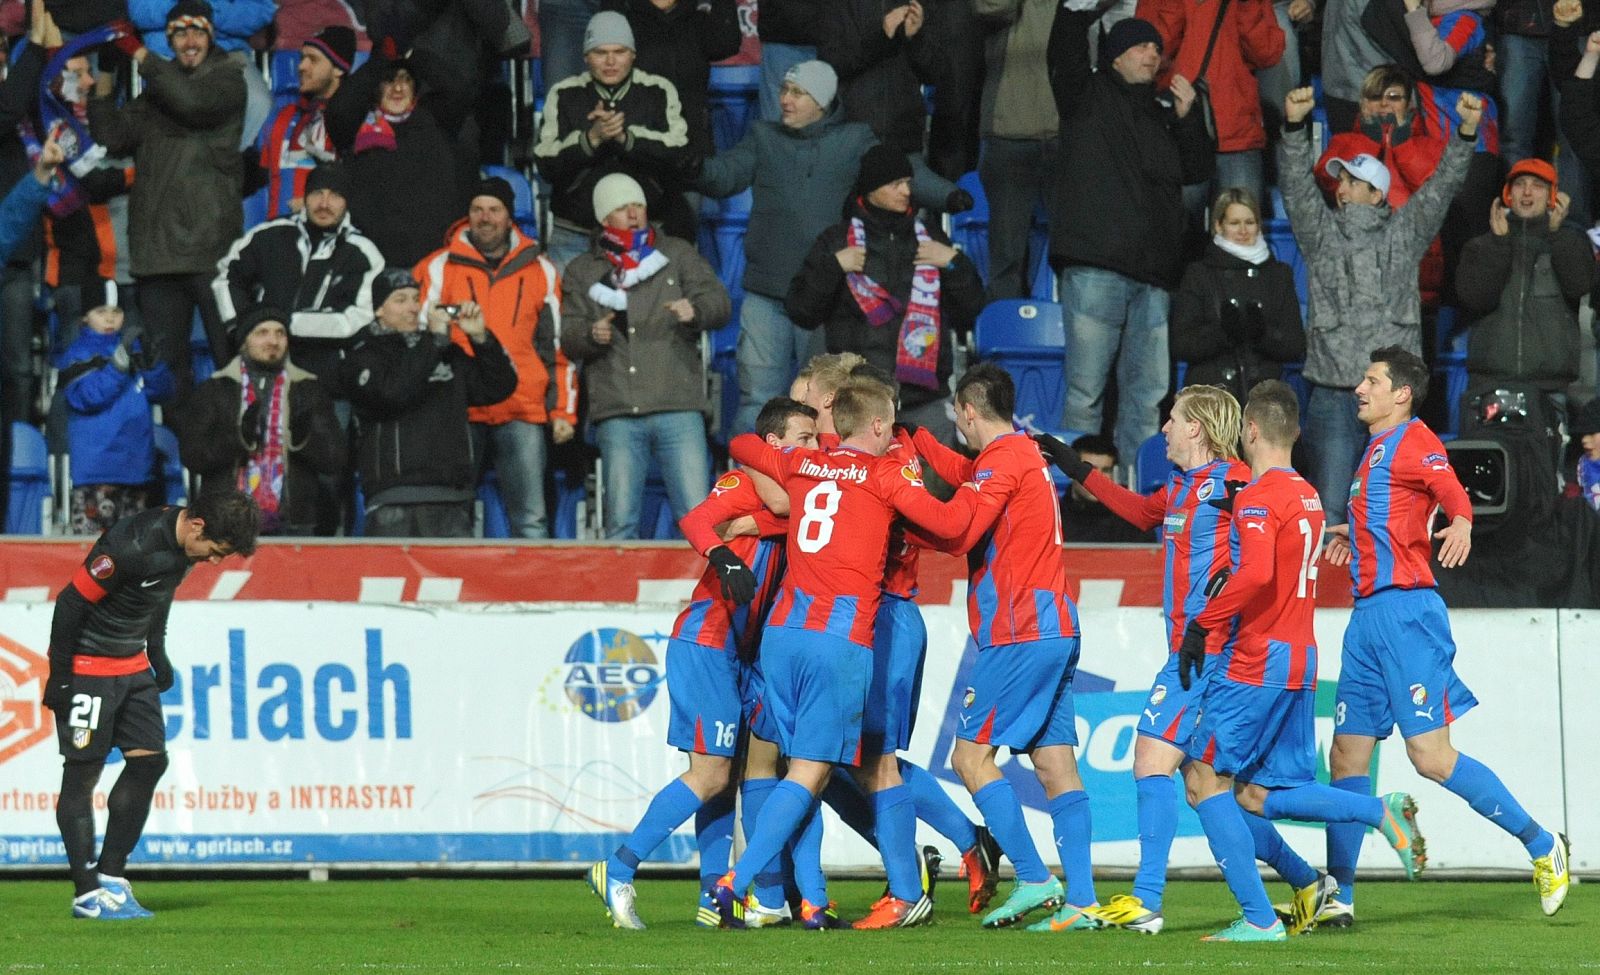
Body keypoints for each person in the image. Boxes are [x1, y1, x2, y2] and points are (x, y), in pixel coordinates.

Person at [711, 382, 980, 929]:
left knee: (803, 768)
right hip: (839, 639)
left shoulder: (803, 462)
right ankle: (737, 881)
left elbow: (739, 442)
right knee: (819, 770)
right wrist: (983, 486)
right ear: (878, 426)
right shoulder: (885, 475)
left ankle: (790, 893)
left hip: (782, 634)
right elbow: (953, 527)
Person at [1320, 346, 1570, 926]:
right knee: (1346, 756)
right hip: (1367, 617)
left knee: (1430, 757)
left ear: (1401, 393)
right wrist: (1354, 534)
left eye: (1372, 380)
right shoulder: (1373, 449)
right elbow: (1393, 516)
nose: (1360, 388)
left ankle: (1541, 844)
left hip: (1406, 615)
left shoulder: (1416, 440)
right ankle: (1339, 895)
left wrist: (1461, 522)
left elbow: (1451, 492)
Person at [1174, 379, 1424, 942]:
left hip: (1256, 658)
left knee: (1203, 779)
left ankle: (1259, 918)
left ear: (1251, 429)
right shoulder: (1307, 494)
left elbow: (1257, 573)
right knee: (1257, 793)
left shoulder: (1260, 496)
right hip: (1299, 659)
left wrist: (1203, 622)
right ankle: (1374, 817)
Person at [1034, 385, 1265, 934]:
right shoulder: (1182, 487)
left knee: (1149, 757)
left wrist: (1214, 617)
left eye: (1173, 419)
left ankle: (1147, 900)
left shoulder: (1236, 483)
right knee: (1205, 785)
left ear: (1197, 428)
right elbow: (1138, 512)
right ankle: (1270, 909)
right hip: (1190, 649)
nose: (1163, 429)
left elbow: (1261, 554)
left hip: (1208, 651)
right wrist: (1074, 467)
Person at [586, 397, 817, 930]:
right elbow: (696, 519)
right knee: (711, 774)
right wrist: (722, 552)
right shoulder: (745, 480)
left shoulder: (800, 496)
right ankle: (617, 868)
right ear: (775, 444)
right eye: (803, 438)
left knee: (731, 772)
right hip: (708, 641)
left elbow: (788, 517)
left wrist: (758, 526)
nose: (812, 448)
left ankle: (716, 899)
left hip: (747, 651)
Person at [905, 364, 1094, 932]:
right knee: (1055, 765)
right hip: (1055, 624)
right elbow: (966, 473)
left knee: (969, 758)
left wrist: (898, 503)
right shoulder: (1019, 453)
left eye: (956, 418)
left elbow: (958, 531)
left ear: (968, 411)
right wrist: (919, 442)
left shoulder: (1003, 460)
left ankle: (1033, 877)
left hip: (1019, 630)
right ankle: (1082, 901)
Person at [696, 61, 959, 434]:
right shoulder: (762, 136)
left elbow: (896, 170)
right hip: (767, 293)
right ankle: (751, 473)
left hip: (822, 296)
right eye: (784, 90)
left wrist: (948, 195)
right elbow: (724, 176)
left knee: (821, 407)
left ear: (821, 102)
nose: (785, 99)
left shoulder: (854, 140)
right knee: (758, 400)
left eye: (797, 93)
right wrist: (690, 166)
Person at [42, 490, 260, 919]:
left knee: (149, 762)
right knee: (82, 775)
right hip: (89, 667)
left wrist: (156, 650)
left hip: (132, 665)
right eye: (216, 551)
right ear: (197, 526)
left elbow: (159, 593)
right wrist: (61, 677)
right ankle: (87, 894)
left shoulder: (184, 548)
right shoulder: (130, 546)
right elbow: (71, 602)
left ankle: (110, 878)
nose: (215, 561)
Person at [1279, 85, 1478, 526]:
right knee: (1332, 508)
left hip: (1392, 399)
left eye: (1353, 181)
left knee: (1390, 511)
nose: (1341, 188)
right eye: (1341, 180)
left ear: (1377, 194)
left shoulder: (1404, 234)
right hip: (1334, 391)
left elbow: (1442, 187)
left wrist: (1466, 133)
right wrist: (1293, 127)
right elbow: (1295, 187)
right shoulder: (1321, 233)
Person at [1047, 10, 1215, 465]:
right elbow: (1064, 50)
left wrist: (1188, 119)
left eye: (1157, 48)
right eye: (1141, 46)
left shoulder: (1162, 113)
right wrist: (1075, 11)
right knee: (1086, 392)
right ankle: (1076, 494)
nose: (1152, 54)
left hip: (1155, 277)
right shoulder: (1087, 95)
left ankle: (1135, 493)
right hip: (1096, 267)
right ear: (1115, 57)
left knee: (1148, 397)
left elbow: (1196, 169)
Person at [89, 1, 248, 393]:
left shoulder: (228, 79)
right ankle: (183, 435)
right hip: (158, 257)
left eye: (197, 32)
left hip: (212, 254)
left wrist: (140, 54)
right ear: (169, 39)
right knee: (166, 376)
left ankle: (239, 433)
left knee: (232, 363)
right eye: (179, 33)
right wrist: (107, 74)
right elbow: (111, 136)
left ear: (211, 36)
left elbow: (191, 103)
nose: (189, 41)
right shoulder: (157, 93)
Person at [561, 174, 727, 539]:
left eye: (638, 205)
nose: (634, 213)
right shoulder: (582, 270)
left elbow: (719, 303)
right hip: (618, 408)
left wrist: (696, 310)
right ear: (604, 217)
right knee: (621, 524)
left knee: (700, 523)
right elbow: (568, 336)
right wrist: (591, 335)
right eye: (622, 208)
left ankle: (705, 581)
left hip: (678, 403)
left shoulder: (677, 254)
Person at [785, 146, 984, 441]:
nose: (906, 191)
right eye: (896, 184)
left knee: (931, 473)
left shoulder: (930, 237)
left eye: (908, 182)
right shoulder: (837, 240)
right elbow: (801, 310)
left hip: (923, 399)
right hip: (855, 402)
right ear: (871, 189)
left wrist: (954, 264)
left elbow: (972, 308)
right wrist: (834, 267)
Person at [415, 177, 575, 539]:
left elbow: (557, 348)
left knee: (531, 521)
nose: (485, 217)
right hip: (458, 407)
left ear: (509, 217)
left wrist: (562, 411)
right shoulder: (438, 267)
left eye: (494, 210)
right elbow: (418, 342)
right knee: (449, 516)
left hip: (521, 407)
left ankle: (531, 581)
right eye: (477, 209)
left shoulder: (541, 270)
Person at [339, 270, 519, 537]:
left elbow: (498, 387)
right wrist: (433, 342)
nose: (413, 308)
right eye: (400, 300)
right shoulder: (363, 354)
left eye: (415, 299)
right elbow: (392, 393)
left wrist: (481, 339)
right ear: (378, 309)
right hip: (393, 498)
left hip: (452, 496)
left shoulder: (444, 351)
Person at [534, 11, 694, 268]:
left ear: (633, 55)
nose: (610, 61)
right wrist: (591, 139)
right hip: (576, 234)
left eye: (619, 52)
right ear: (586, 57)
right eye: (600, 52)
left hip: (646, 235)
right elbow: (545, 163)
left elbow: (679, 155)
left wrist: (625, 138)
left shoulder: (658, 90)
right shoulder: (564, 93)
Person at [213, 161, 386, 400]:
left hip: (327, 379)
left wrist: (285, 323)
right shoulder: (270, 234)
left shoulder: (363, 253)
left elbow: (357, 317)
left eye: (335, 195)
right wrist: (242, 325)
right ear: (305, 197)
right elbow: (226, 277)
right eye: (317, 193)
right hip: (263, 369)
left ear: (347, 202)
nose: (324, 203)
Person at [179, 306, 345, 536]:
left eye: (280, 333)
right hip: (226, 524)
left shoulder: (308, 389)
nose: (273, 341)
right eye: (262, 333)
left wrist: (303, 440)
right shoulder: (215, 389)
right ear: (243, 341)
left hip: (294, 525)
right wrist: (238, 439)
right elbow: (192, 456)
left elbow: (335, 459)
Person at [1455, 159, 1594, 426]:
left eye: (1538, 186)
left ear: (1553, 195)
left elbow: (1579, 284)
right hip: (1490, 387)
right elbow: (1475, 298)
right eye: (1519, 184)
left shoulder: (1570, 243)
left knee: (1546, 454)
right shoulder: (1482, 245)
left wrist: (1556, 234)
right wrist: (1499, 245)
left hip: (1549, 390)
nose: (1527, 192)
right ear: (1508, 193)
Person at [325, 40, 473, 269]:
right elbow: (339, 109)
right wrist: (380, 62)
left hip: (432, 258)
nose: (398, 89)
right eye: (389, 80)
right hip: (373, 260)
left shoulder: (435, 119)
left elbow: (459, 91)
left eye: (406, 80)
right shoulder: (356, 125)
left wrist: (414, 55)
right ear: (376, 87)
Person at [1315, 65, 1450, 311]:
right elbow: (1329, 180)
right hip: (1356, 273)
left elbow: (1434, 191)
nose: (1384, 104)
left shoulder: (1430, 146)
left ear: (1409, 104)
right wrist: (1368, 141)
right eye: (1375, 97)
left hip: (1414, 274)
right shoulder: (1343, 142)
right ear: (1363, 103)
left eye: (1394, 97)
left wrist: (1403, 146)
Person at [1135, 0, 1285, 212]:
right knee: (1176, 228)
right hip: (1179, 131)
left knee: (1240, 229)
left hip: (1236, 131)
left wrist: (1246, 5)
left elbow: (1268, 53)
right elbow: (1146, 57)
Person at [56, 281, 176, 534]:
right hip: (96, 474)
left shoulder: (134, 348)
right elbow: (86, 397)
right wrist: (118, 365)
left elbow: (164, 393)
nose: (110, 318)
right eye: (101, 312)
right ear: (85, 317)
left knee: (134, 551)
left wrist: (153, 367)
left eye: (116, 312)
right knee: (94, 552)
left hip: (137, 471)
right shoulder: (77, 354)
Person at [1170, 188, 1305, 403]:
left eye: (1249, 222)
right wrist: (1222, 334)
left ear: (1259, 225)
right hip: (1211, 401)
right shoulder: (1199, 274)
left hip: (1263, 402)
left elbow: (1295, 345)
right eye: (1234, 223)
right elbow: (1181, 344)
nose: (1243, 230)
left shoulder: (1278, 274)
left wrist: (1262, 335)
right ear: (1218, 225)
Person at [973, 0, 1060, 300]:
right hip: (1009, 132)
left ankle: (1071, 323)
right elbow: (989, 6)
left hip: (1066, 133)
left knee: (1076, 252)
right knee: (1006, 256)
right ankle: (1003, 324)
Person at [597, 0, 743, 162]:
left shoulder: (696, 21)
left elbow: (727, 43)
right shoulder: (622, 21)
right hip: (635, 150)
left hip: (692, 151)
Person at [129, 0, 275, 149]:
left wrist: (210, 10)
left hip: (227, 53)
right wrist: (180, 6)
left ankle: (227, 158)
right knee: (177, 102)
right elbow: (139, 13)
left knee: (259, 102)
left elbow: (262, 11)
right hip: (169, 53)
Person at [255, 25, 357, 220]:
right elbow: (260, 177)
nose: (301, 66)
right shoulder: (280, 118)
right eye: (302, 58)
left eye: (313, 60)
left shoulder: (356, 123)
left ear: (338, 69)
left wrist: (311, 204)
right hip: (280, 232)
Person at [818, 0, 940, 159]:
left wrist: (915, 39)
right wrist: (882, 39)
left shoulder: (918, 4)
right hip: (851, 135)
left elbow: (934, 73)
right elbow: (830, 65)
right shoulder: (840, 5)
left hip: (905, 137)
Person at [1057, 436, 1156, 544]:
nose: (1097, 478)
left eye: (1106, 470)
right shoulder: (1054, 517)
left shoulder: (1131, 520)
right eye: (1089, 470)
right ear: (1071, 472)